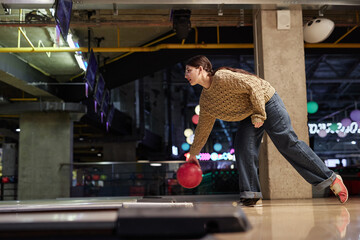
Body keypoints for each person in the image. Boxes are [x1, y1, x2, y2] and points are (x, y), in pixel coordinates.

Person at [184, 55, 348, 207]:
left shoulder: (222, 77)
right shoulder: (206, 99)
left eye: (188, 70)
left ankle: (331, 178)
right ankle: (251, 195)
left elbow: (254, 84)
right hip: (250, 113)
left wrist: (259, 114)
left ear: (200, 69)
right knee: (243, 147)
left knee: (287, 143)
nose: (186, 75)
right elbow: (203, 127)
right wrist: (193, 154)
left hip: (267, 102)